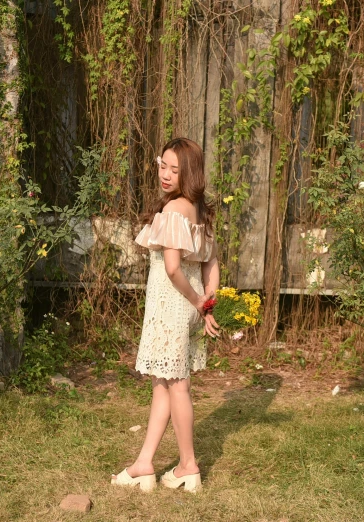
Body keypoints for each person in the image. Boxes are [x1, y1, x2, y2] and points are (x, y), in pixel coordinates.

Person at [111, 137, 220, 493]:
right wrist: (207, 302)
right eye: (163, 165)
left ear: (189, 172)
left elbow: (173, 268)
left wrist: (197, 303)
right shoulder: (198, 210)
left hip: (174, 305)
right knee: (163, 383)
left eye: (176, 169)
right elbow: (211, 262)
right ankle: (145, 464)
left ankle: (188, 465)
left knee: (176, 386)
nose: (166, 174)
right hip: (182, 307)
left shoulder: (175, 211)